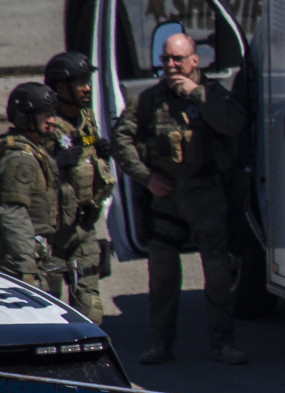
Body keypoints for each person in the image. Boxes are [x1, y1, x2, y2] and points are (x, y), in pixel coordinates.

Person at [109, 31, 247, 365]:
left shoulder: (212, 94)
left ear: (195, 61)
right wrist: (146, 178)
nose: (171, 65)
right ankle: (161, 344)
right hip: (167, 199)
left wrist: (198, 95)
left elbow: (233, 125)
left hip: (207, 196)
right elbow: (121, 140)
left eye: (178, 59)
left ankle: (222, 343)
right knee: (162, 275)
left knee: (216, 274)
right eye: (166, 59)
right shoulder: (150, 99)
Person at [43, 53, 112, 323]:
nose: (87, 87)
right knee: (48, 308)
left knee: (90, 308)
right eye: (80, 82)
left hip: (84, 226)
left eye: (87, 80)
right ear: (60, 88)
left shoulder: (86, 116)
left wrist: (102, 151)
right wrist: (55, 163)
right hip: (53, 234)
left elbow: (87, 152)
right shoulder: (45, 123)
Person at [0, 82, 63, 290]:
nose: (51, 120)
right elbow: (13, 213)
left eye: (51, 113)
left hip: (27, 250)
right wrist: (26, 265)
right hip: (14, 258)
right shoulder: (21, 159)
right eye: (45, 115)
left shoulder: (30, 148)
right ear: (26, 117)